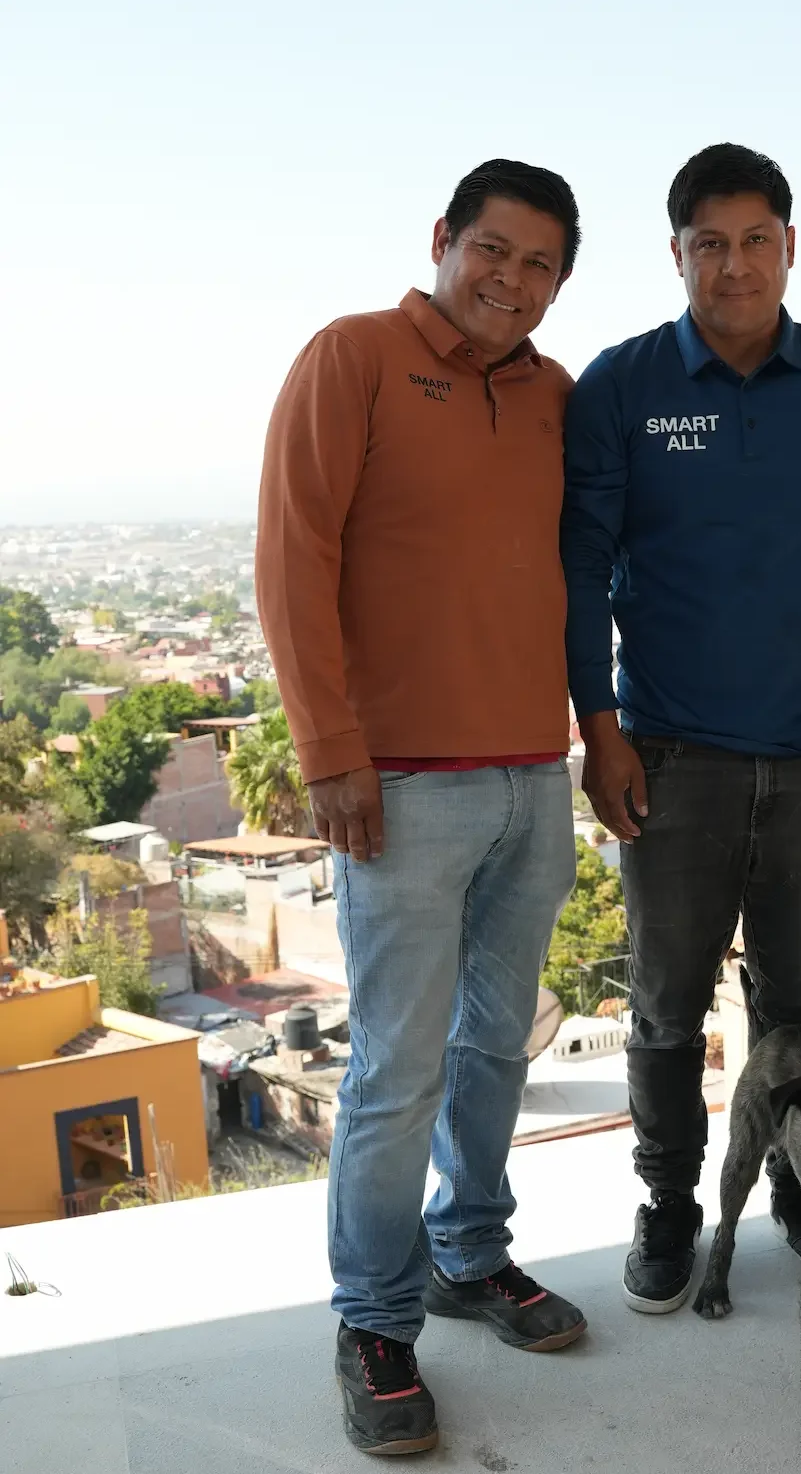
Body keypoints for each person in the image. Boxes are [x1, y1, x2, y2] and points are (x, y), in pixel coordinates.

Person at [256, 159, 589, 1459]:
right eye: (492, 251)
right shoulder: (353, 358)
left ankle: (467, 1253)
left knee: (499, 1043)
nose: (510, 281)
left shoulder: (557, 397)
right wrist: (331, 749)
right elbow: (294, 553)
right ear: (443, 239)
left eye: (540, 266)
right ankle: (376, 1319)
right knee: (396, 1069)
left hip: (530, 777)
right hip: (399, 783)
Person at [562, 143, 801, 1314]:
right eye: (707, 244)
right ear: (676, 254)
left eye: (754, 239)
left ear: (790, 246)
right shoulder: (620, 386)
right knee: (667, 1006)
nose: (733, 265)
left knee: (797, 1008)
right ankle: (670, 1204)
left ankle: (798, 1190)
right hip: (671, 755)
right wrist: (600, 727)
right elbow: (582, 569)